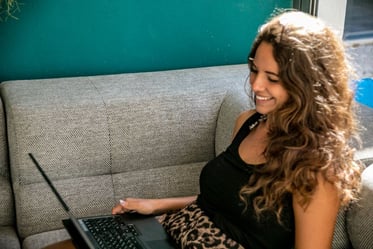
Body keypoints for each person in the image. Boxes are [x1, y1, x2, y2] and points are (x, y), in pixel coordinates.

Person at [112, 10, 363, 249]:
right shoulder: (248, 122)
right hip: (176, 231)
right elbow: (222, 203)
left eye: (272, 78)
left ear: (307, 85)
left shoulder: (317, 170)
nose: (256, 84)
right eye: (255, 70)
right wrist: (156, 206)